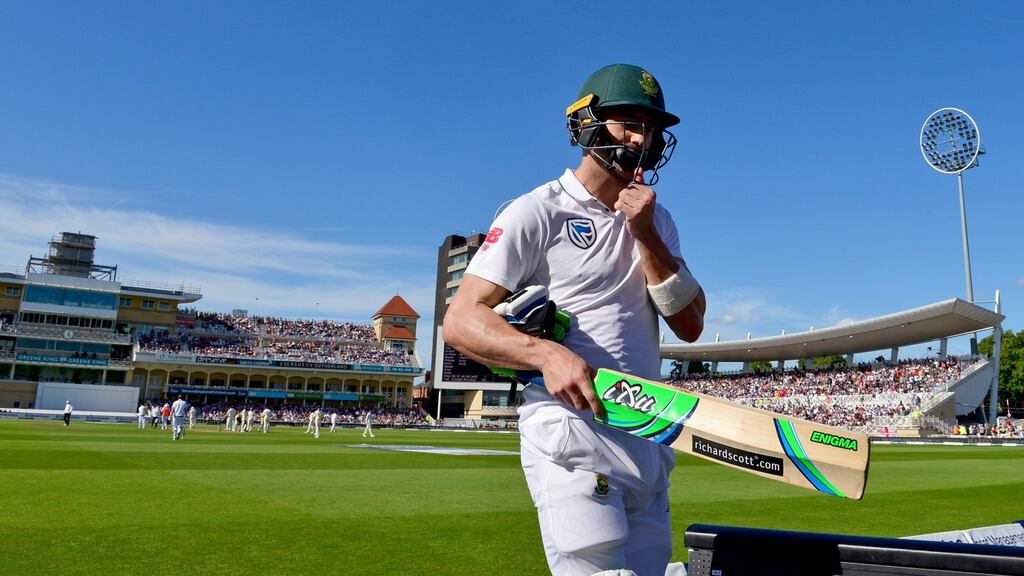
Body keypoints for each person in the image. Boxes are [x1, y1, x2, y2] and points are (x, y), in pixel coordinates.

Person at [443, 64, 705, 576]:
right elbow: (459, 320)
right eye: (627, 121)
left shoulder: (659, 219)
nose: (642, 137)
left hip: (646, 433)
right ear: (585, 124)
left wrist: (645, 234)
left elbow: (690, 324)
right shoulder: (536, 211)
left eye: (650, 127)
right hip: (572, 432)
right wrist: (544, 354)